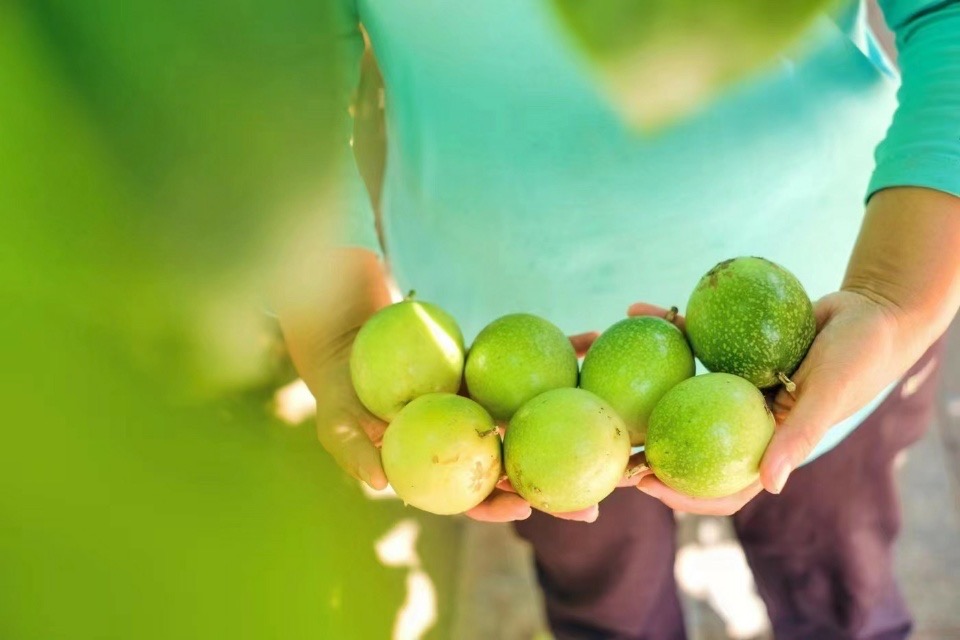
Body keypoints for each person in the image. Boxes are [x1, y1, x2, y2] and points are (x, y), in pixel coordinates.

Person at [278, 1, 960, 638]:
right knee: (606, 608)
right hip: (505, 382)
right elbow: (276, 60)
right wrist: (332, 313)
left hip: (826, 316)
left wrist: (895, 294)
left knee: (837, 589)